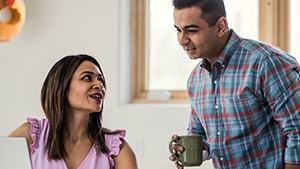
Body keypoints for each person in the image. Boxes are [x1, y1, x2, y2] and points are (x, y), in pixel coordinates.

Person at [168, 0, 300, 169]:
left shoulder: (265, 62)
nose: (182, 40)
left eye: (192, 30)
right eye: (178, 30)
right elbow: (203, 138)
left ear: (220, 27)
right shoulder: (195, 79)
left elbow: (297, 130)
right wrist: (190, 150)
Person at [9, 54, 139, 169]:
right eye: (87, 78)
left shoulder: (117, 149)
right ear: (62, 87)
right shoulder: (30, 135)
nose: (99, 85)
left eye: (100, 79)